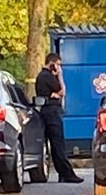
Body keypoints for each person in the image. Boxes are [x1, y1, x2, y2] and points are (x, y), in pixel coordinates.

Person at [35, 53, 83, 183]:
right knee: (58, 144)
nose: (60, 68)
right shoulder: (47, 76)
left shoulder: (43, 76)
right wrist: (60, 76)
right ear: (52, 64)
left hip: (49, 110)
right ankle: (67, 173)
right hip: (52, 112)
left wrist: (56, 94)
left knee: (56, 144)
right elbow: (63, 90)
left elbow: (58, 94)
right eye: (58, 65)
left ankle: (63, 172)